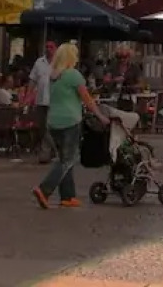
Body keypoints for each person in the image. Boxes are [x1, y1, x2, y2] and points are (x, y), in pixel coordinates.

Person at [32, 43, 99, 209]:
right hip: (70, 121)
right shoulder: (74, 75)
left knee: (64, 157)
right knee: (68, 159)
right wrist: (101, 116)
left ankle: (68, 196)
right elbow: (87, 99)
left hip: (53, 121)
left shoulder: (53, 75)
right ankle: (44, 189)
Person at [27, 41, 57, 164]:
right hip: (40, 100)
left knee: (50, 126)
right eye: (47, 47)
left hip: (54, 100)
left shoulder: (59, 62)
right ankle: (53, 151)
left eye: (51, 47)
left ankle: (45, 153)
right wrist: (28, 95)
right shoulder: (39, 62)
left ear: (56, 48)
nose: (48, 49)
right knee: (42, 127)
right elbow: (32, 80)